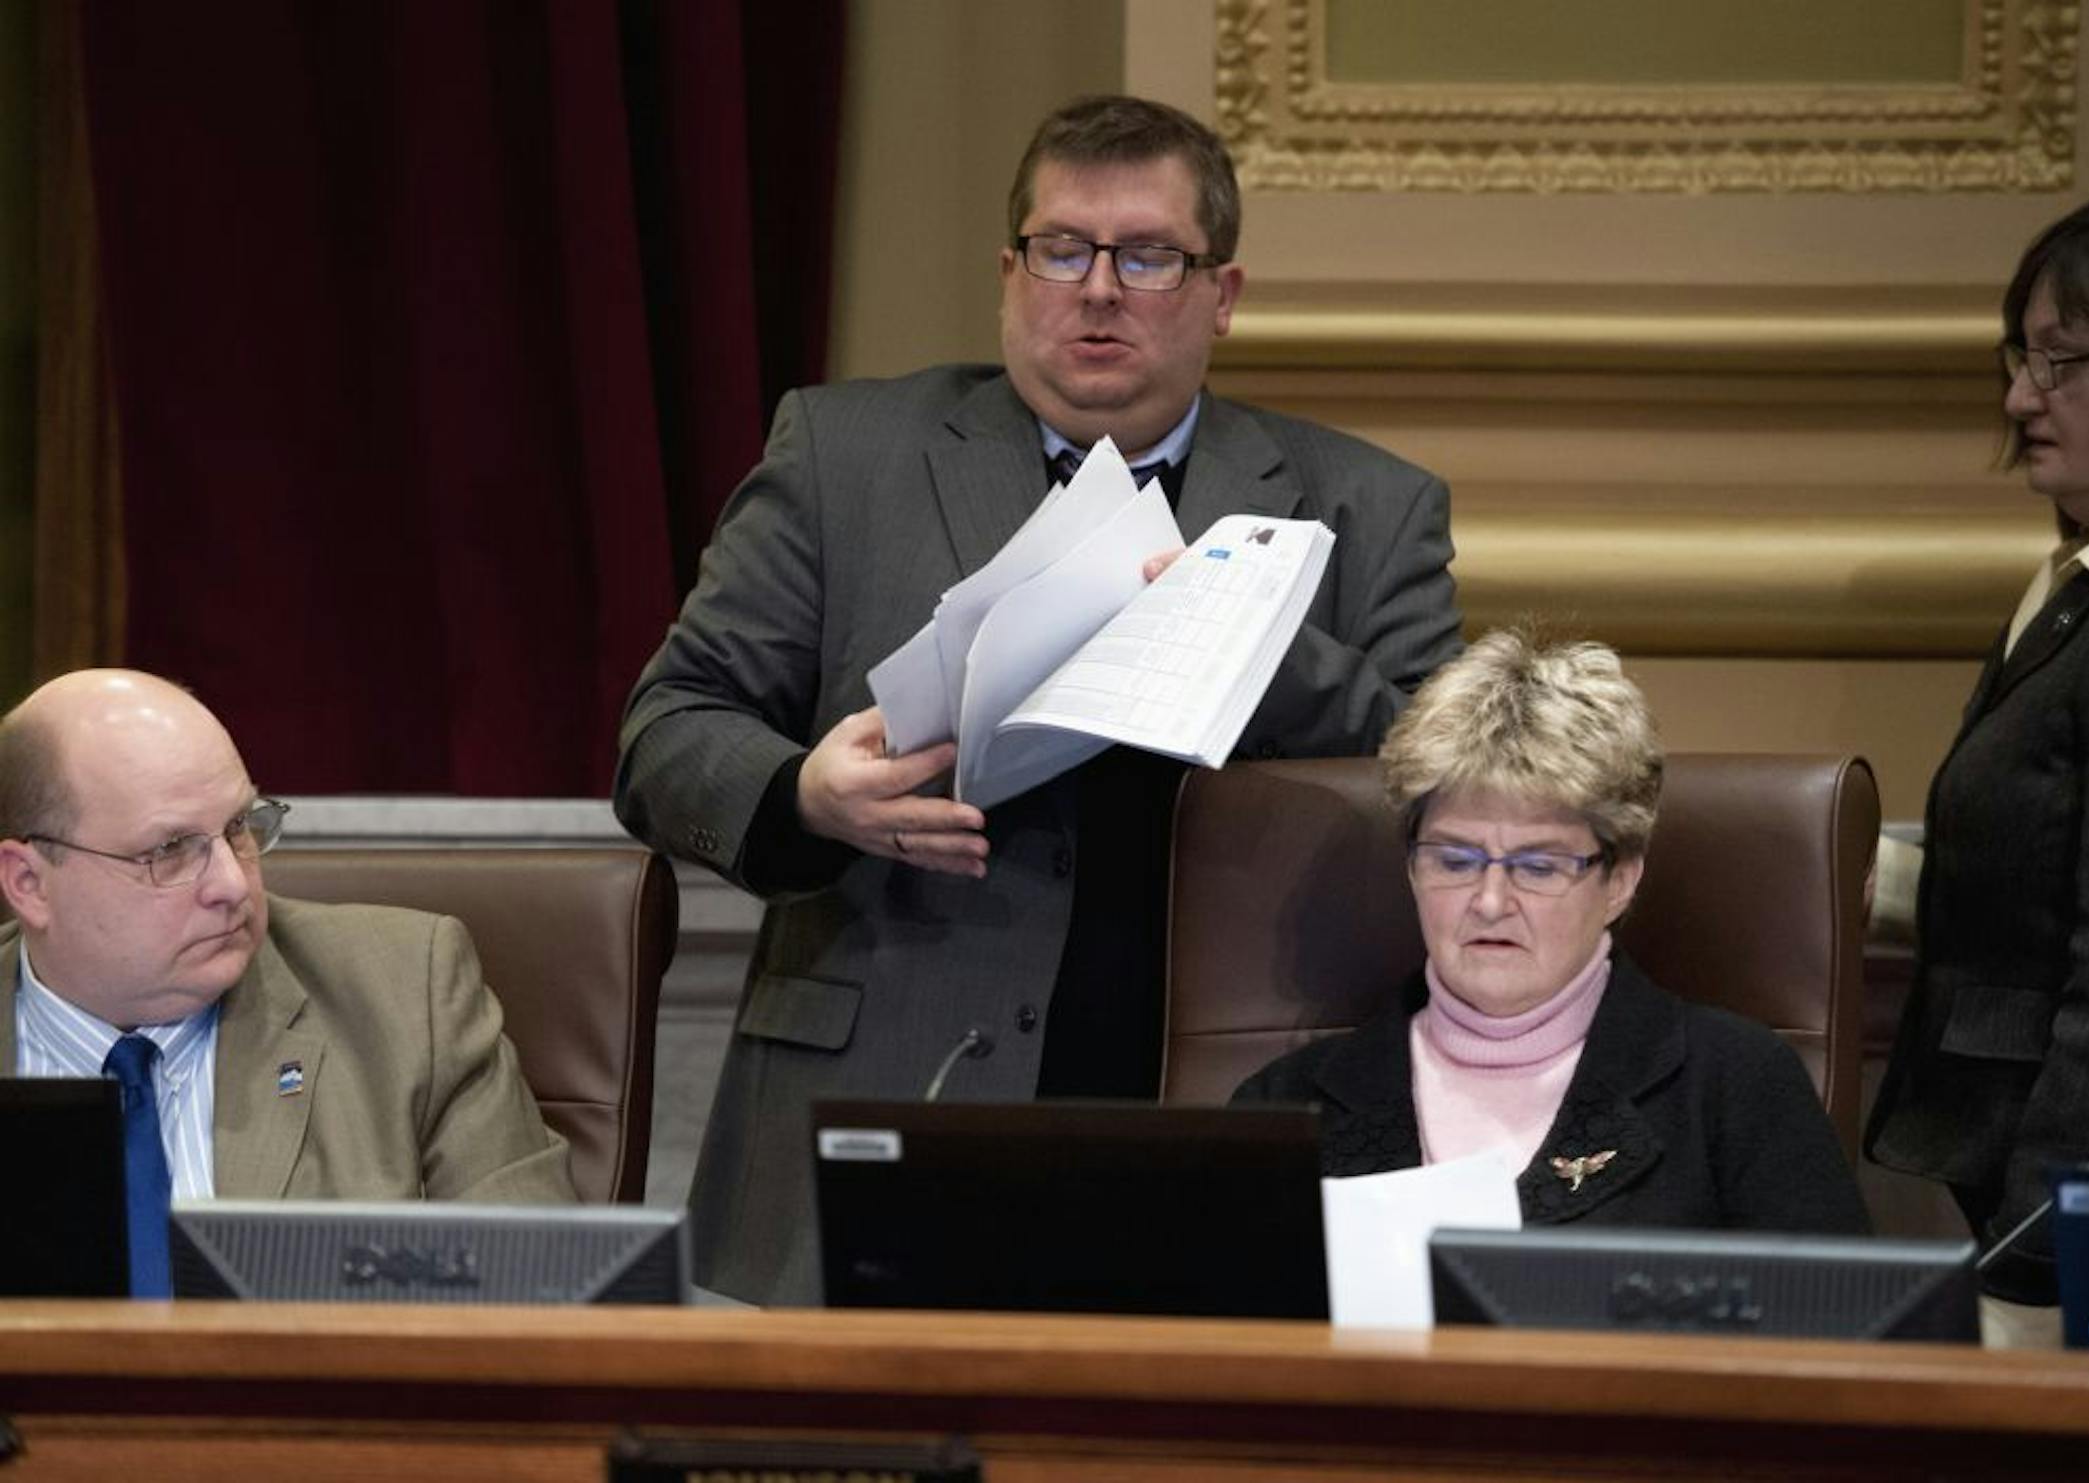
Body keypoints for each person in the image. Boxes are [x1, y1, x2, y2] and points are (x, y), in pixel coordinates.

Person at [616, 94, 1462, 1302]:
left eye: (1148, 255)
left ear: (1221, 293)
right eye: (1061, 249)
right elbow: (665, 732)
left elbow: (1461, 792)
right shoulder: (844, 456)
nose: (1098, 288)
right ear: (1011, 274)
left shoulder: (1365, 507)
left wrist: (1256, 637)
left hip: (1226, 1098)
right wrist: (806, 792)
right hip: (892, 1076)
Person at [1236, 630, 1869, 1234]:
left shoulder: (1737, 1088)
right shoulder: (1286, 1109)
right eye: (1455, 860)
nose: (1489, 902)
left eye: (1538, 866)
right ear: (1411, 867)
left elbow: (1843, 1333)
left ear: (1619, 879)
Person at [0, 670, 575, 1256]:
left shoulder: (406, 998)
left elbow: (536, 1284)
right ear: (30, 883)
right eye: (170, 852)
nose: (232, 883)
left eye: (239, 828)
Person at [1867, 195, 2089, 1317]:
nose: (2018, 398)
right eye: (2018, 356)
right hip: (2005, 1173)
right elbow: (2024, 869)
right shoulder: (2082, 577)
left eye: (2062, 361)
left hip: (2071, 1202)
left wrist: (2049, 1230)